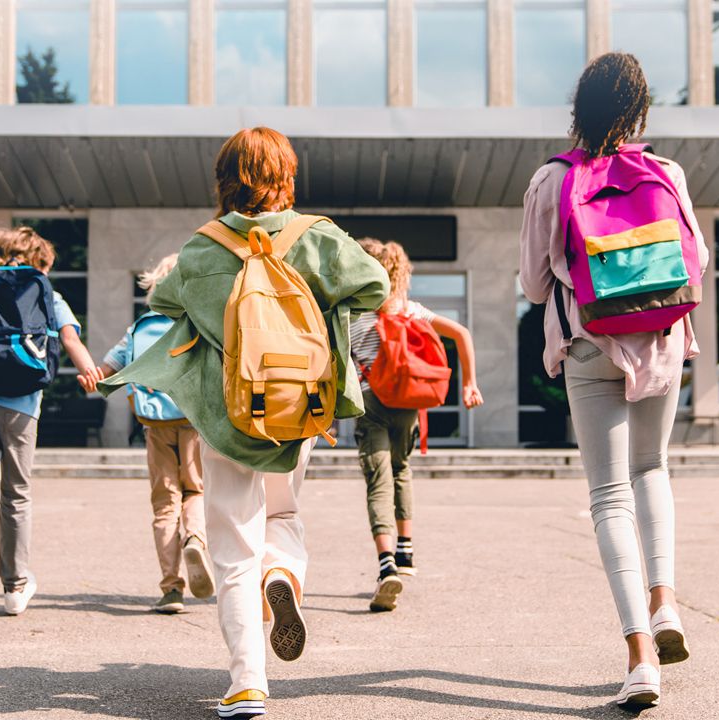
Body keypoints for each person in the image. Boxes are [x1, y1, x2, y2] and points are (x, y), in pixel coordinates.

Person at [98, 127, 388, 720]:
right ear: (287, 175)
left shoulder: (202, 249)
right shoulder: (318, 237)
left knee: (232, 545)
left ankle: (248, 682)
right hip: (300, 408)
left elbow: (162, 306)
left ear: (224, 179)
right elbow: (375, 286)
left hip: (228, 413)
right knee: (283, 512)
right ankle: (281, 573)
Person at [519, 53, 707, 708]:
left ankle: (638, 658)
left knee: (608, 495)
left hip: (589, 341)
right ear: (637, 112)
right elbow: (697, 261)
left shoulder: (551, 178)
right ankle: (665, 603)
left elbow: (534, 284)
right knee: (652, 469)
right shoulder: (666, 171)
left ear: (580, 109)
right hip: (658, 338)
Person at [0, 226, 101, 624]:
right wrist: (90, 374)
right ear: (40, 262)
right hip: (21, 405)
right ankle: (15, 587)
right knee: (16, 494)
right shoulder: (49, 294)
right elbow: (69, 340)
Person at [350, 238, 483, 612]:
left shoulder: (355, 315)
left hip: (372, 402)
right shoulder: (410, 310)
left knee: (379, 480)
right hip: (408, 403)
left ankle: (386, 563)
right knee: (402, 469)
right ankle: (406, 551)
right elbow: (462, 334)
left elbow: (336, 364)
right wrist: (469, 383)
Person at [80, 254, 215, 615]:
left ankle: (171, 588)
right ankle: (196, 539)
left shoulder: (140, 328)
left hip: (154, 425)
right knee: (196, 490)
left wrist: (90, 378)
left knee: (165, 503)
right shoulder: (198, 323)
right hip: (193, 420)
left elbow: (105, 371)